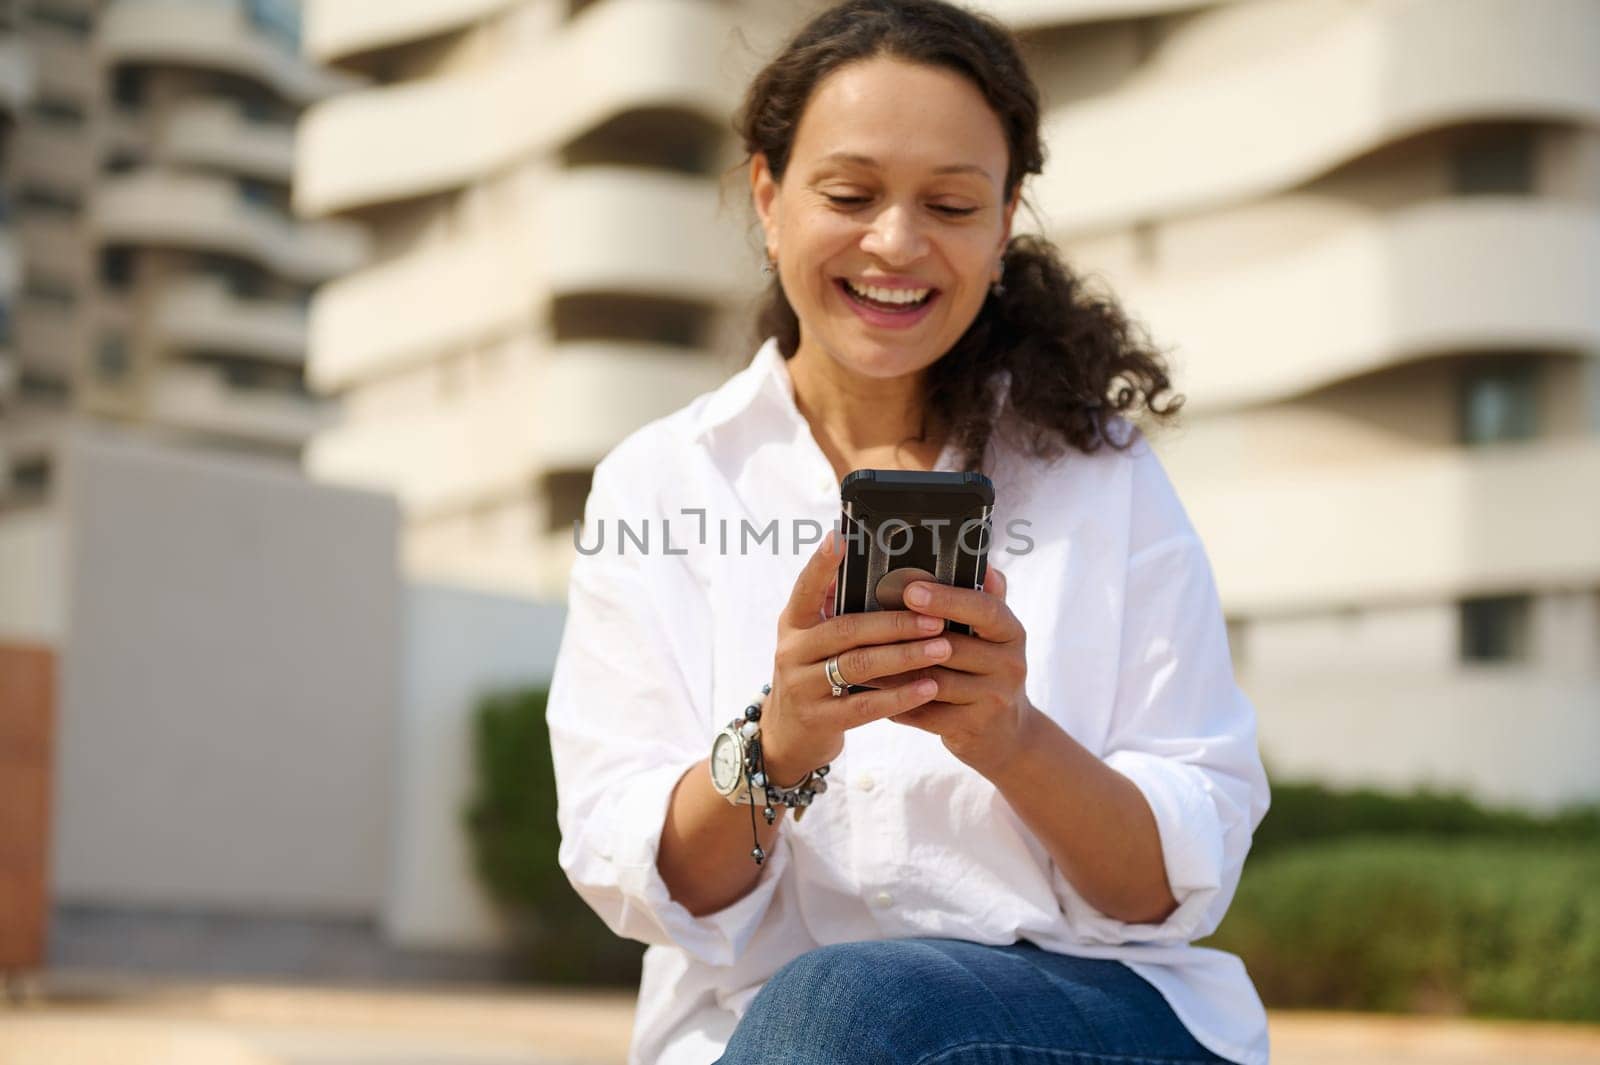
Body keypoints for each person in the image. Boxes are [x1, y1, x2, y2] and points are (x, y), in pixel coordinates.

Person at [545, 1, 1271, 1062]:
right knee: (830, 1010)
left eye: (950, 204)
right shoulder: (660, 486)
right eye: (849, 194)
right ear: (768, 197)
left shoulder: (1097, 477)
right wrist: (781, 740)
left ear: (1003, 223)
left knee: (852, 1004)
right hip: (766, 1031)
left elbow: (1171, 884)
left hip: (1085, 1017)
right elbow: (655, 886)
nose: (896, 242)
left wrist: (1012, 739)